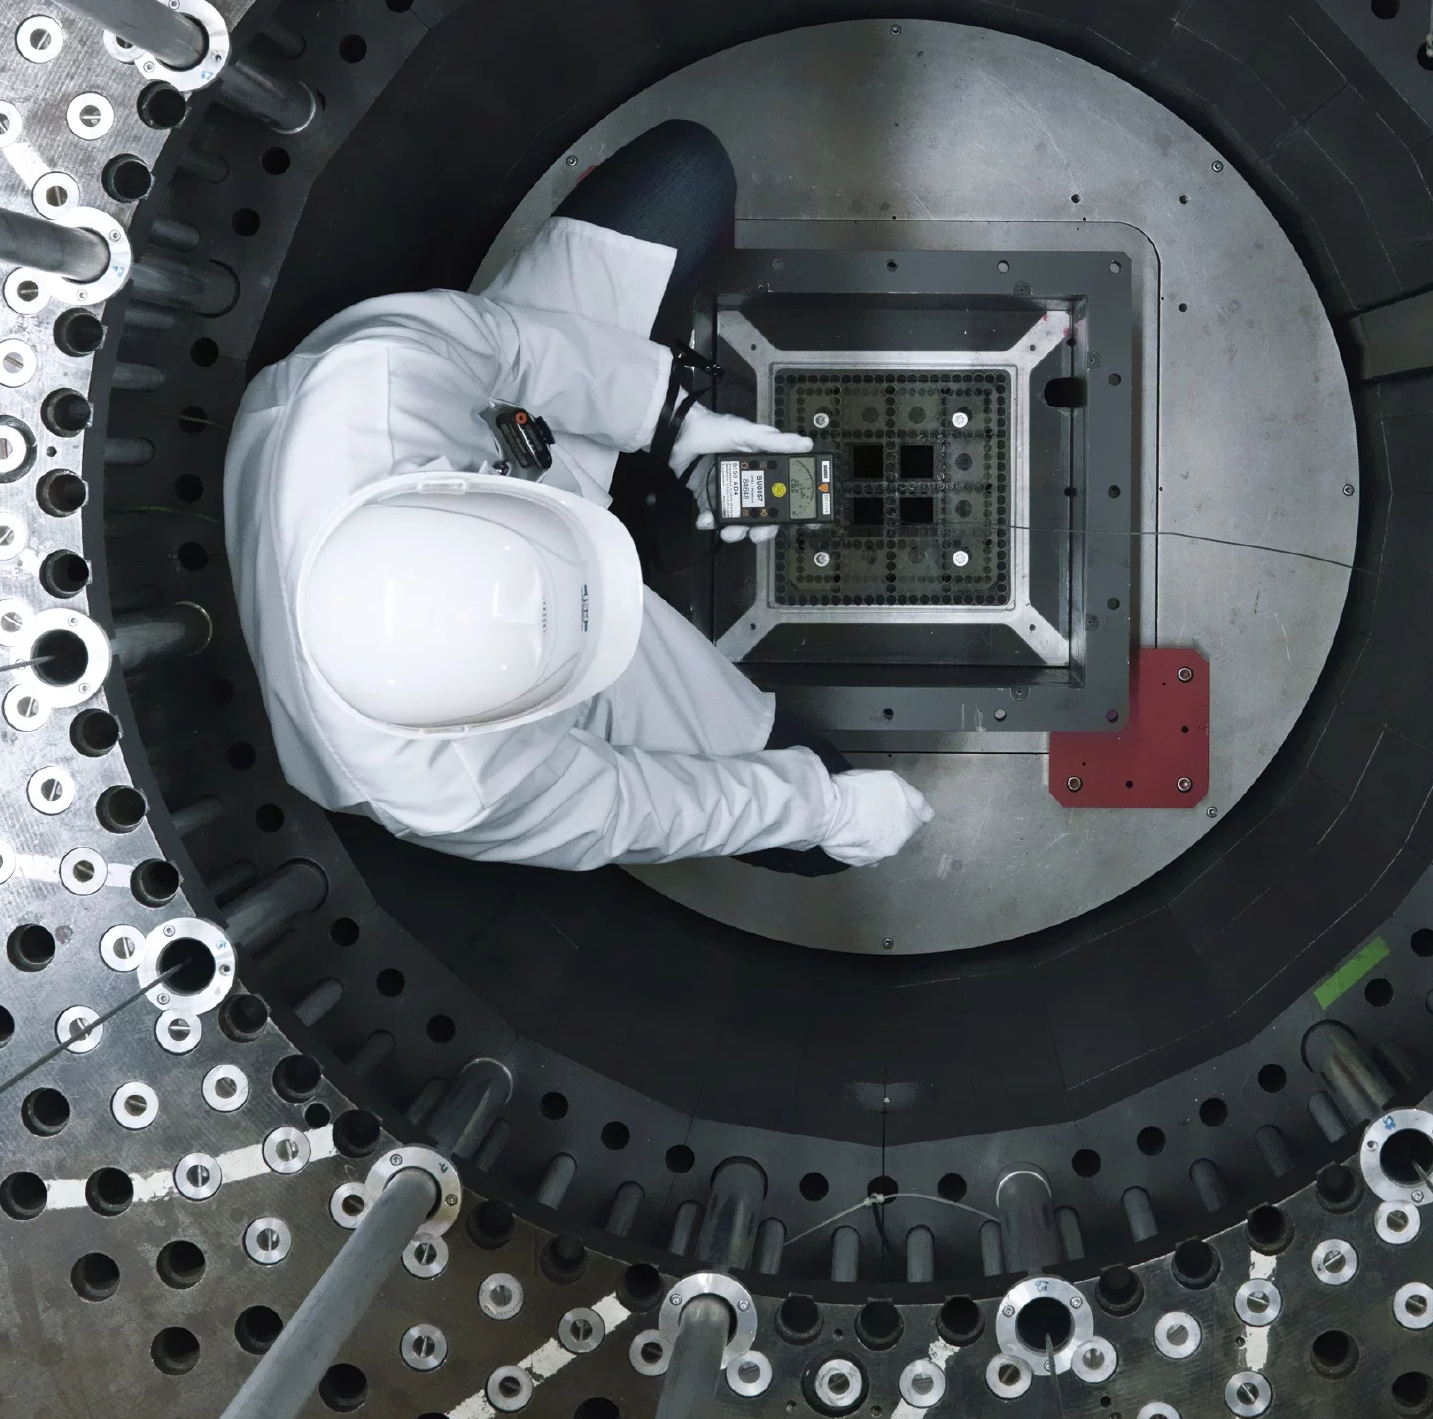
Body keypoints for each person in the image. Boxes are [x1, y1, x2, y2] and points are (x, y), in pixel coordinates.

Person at [221, 120, 935, 875]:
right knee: (823, 824)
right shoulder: (447, 789)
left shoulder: (375, 385)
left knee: (685, 173)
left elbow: (514, 349)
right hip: (558, 670)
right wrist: (825, 808)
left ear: (447, 491)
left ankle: (616, 492)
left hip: (516, 445)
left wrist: (672, 422)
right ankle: (625, 571)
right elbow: (633, 806)